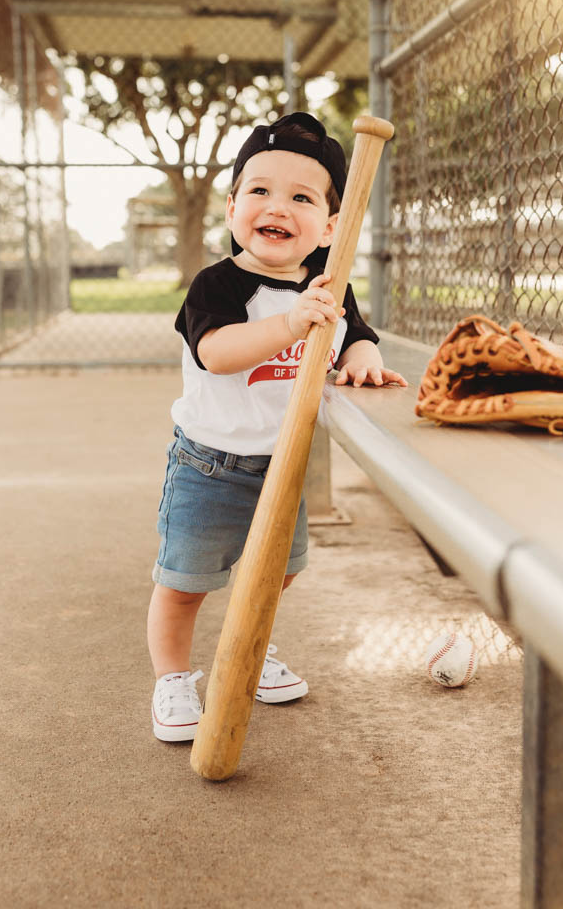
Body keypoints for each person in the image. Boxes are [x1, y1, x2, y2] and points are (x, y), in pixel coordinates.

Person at [147, 111, 407, 742]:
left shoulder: (329, 286)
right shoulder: (218, 283)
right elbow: (218, 352)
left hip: (282, 467)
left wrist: (363, 363)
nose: (277, 207)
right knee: (184, 583)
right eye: (258, 190)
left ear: (331, 226)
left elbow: (356, 339)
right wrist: (291, 324)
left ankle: (247, 649)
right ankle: (173, 679)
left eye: (301, 197)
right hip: (211, 465)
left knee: (276, 574)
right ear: (233, 205)